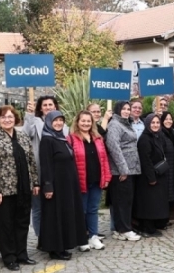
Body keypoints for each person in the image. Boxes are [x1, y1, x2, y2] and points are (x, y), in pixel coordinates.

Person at [0, 106, 41, 271]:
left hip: (24, 188)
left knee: (22, 223)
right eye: (3, 117)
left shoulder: (23, 137)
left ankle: (22, 254)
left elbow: (31, 162)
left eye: (10, 117)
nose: (7, 120)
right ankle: (9, 257)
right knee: (6, 225)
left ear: (15, 119)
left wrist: (35, 183)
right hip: (4, 191)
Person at [38, 111, 86, 260]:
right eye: (55, 121)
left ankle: (63, 245)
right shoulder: (47, 140)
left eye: (61, 120)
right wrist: (48, 186)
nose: (58, 123)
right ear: (49, 122)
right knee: (55, 216)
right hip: (55, 185)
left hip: (67, 185)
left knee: (64, 215)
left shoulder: (61, 138)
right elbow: (45, 165)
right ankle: (55, 249)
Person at [67, 110, 111, 250]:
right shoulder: (71, 138)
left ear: (92, 123)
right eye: (83, 121)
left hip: (96, 179)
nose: (86, 123)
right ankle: (82, 238)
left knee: (93, 209)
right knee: (82, 210)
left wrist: (107, 177)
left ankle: (93, 236)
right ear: (77, 122)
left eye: (88, 121)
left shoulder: (97, 138)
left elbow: (104, 159)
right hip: (81, 181)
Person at [23, 94, 60, 237]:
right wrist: (29, 115)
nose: (48, 107)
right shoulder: (36, 122)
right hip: (38, 172)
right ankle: (41, 237)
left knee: (55, 207)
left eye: (50, 105)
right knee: (38, 208)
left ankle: (55, 236)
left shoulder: (62, 125)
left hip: (57, 172)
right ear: (40, 108)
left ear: (55, 106)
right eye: (44, 105)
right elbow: (26, 134)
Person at [106, 101, 142, 242]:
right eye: (124, 109)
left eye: (128, 109)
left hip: (130, 169)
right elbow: (113, 147)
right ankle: (124, 230)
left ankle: (120, 229)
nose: (127, 111)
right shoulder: (115, 124)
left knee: (126, 201)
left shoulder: (125, 123)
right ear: (118, 110)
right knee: (122, 202)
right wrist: (123, 169)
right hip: (121, 171)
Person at [135, 114, 174, 236]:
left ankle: (153, 225)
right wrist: (151, 177)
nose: (155, 125)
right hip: (149, 176)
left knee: (155, 202)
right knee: (149, 203)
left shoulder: (157, 136)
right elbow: (145, 160)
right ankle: (147, 227)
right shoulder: (145, 139)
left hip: (158, 174)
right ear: (147, 124)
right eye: (153, 123)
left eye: (157, 122)